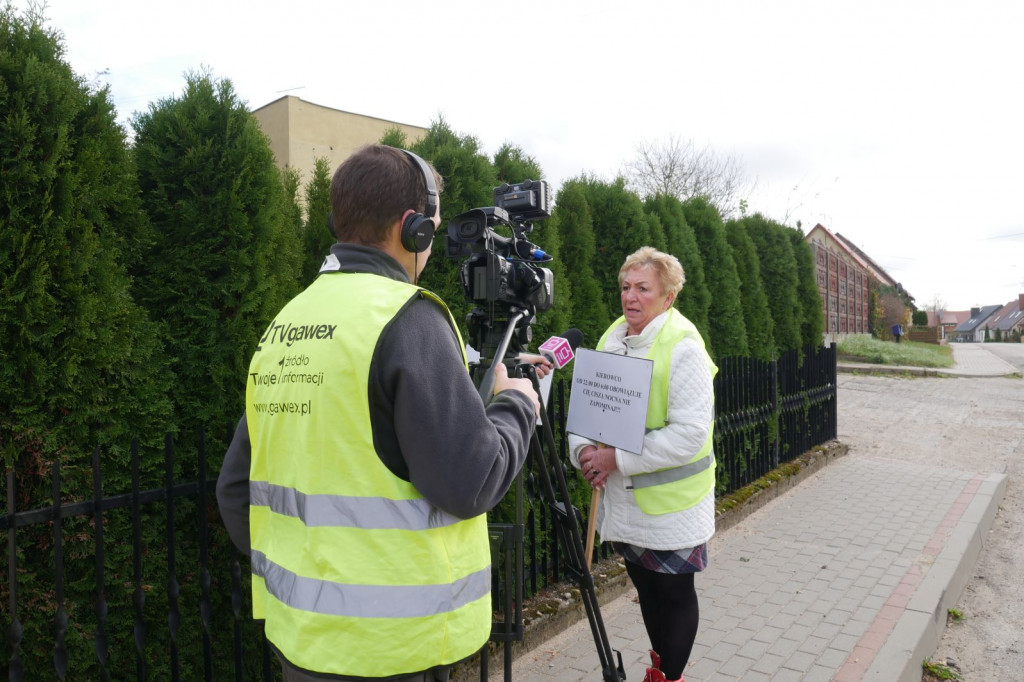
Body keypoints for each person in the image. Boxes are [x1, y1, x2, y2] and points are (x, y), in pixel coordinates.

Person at [216, 144, 543, 682]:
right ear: (411, 228)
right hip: (394, 651)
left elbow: (236, 490)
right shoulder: (407, 319)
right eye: (432, 230)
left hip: (303, 642)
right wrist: (517, 405)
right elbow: (471, 481)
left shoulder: (285, 323)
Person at [569, 247, 717, 682]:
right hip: (626, 503)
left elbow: (690, 434)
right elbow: (589, 409)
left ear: (668, 297)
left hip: (672, 505)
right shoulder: (613, 337)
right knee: (647, 591)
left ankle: (668, 678)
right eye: (626, 287)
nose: (630, 297)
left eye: (643, 289)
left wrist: (616, 457)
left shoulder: (683, 346)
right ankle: (660, 666)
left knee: (672, 593)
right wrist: (583, 451)